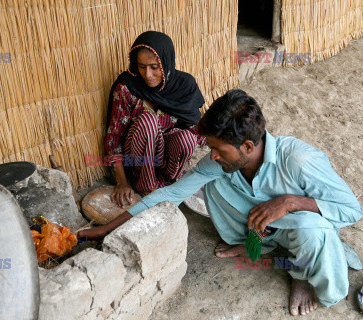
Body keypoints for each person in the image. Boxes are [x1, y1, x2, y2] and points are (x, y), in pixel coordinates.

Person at [78, 89, 363, 316]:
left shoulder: (299, 160)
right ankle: (259, 244)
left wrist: (289, 202)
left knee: (307, 228)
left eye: (218, 149)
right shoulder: (223, 161)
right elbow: (169, 194)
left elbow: (352, 210)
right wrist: (105, 229)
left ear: (248, 147)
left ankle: (301, 274)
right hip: (264, 229)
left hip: (303, 231)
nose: (211, 154)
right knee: (209, 180)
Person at [103, 31, 206, 207]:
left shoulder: (184, 85)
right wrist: (121, 182)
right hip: (136, 161)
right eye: (141, 67)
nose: (148, 74)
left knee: (187, 138)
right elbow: (114, 139)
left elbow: (198, 130)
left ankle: (168, 183)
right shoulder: (127, 87)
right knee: (148, 122)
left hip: (166, 162)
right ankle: (147, 188)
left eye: (154, 67)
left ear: (166, 63)